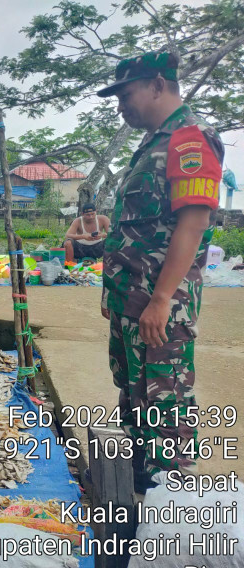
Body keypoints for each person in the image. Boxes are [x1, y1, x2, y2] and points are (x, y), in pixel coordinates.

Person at [98, 52, 223, 491]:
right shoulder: (152, 145)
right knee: (136, 400)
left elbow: (193, 224)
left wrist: (161, 299)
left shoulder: (188, 141)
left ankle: (169, 514)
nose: (120, 106)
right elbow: (146, 230)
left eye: (125, 94)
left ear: (156, 85)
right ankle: (140, 500)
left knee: (164, 406)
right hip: (131, 303)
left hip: (158, 309)